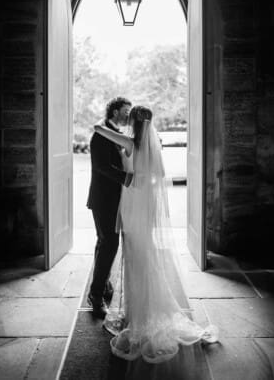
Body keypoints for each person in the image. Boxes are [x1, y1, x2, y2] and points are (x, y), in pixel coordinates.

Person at [92, 105, 219, 364]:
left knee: (134, 257)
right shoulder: (153, 145)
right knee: (145, 254)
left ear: (134, 122)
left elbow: (96, 128)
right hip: (146, 206)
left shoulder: (128, 141)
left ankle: (138, 315)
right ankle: (146, 308)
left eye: (130, 117)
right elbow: (159, 176)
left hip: (131, 205)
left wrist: (112, 132)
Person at [87, 97, 133, 318]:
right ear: (115, 112)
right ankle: (95, 296)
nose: (128, 115)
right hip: (104, 199)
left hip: (114, 199)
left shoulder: (114, 133)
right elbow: (101, 166)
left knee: (103, 242)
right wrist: (128, 178)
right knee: (110, 244)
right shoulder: (101, 134)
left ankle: (102, 283)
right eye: (126, 111)